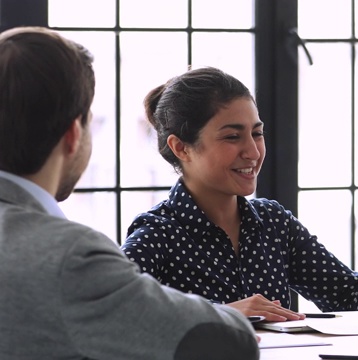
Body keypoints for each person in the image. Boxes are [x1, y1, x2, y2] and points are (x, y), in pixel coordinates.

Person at [0, 27, 258, 359]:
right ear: (73, 135)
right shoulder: (71, 256)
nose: (251, 150)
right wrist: (232, 313)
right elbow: (225, 340)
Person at [121, 66, 358, 323]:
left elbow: (347, 291)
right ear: (182, 148)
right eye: (232, 136)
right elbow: (118, 319)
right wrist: (222, 314)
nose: (252, 151)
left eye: (257, 133)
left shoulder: (272, 222)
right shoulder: (156, 234)